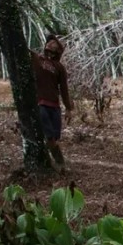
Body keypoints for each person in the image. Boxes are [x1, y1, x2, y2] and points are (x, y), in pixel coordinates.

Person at [31, 35, 73, 169]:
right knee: (49, 137)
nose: (50, 44)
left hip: (54, 106)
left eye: (54, 43)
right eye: (49, 42)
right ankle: (60, 163)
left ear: (58, 50)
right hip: (40, 104)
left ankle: (53, 161)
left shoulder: (60, 68)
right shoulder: (37, 59)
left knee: (55, 137)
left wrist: (68, 108)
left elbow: (64, 89)